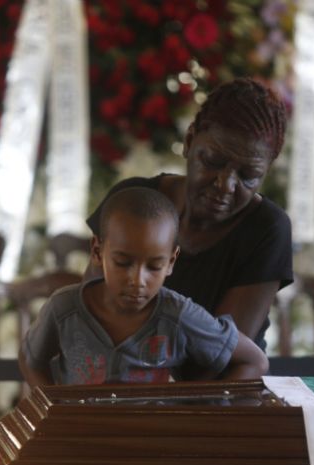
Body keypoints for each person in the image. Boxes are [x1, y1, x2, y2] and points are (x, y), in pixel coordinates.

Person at [85, 78, 293, 356]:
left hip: (219, 392)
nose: (226, 185)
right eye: (213, 162)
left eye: (248, 176)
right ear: (189, 141)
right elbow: (88, 316)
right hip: (119, 377)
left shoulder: (267, 228)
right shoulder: (131, 202)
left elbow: (221, 354)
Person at [19, 187, 269, 386]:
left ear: (171, 261)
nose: (137, 280)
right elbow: (32, 361)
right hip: (79, 441)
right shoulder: (63, 309)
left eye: (154, 267)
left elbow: (255, 361)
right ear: (97, 251)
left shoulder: (178, 315)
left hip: (153, 443)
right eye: (123, 262)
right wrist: (52, 412)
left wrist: (205, 415)